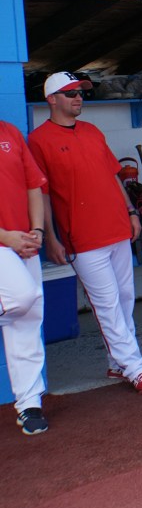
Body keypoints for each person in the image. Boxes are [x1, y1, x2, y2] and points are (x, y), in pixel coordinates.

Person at [28, 72, 142, 394]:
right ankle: (136, 368)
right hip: (83, 238)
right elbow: (41, 194)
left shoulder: (92, 131)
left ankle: (117, 363)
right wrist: (50, 237)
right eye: (71, 93)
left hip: (116, 227)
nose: (78, 98)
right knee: (108, 305)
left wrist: (131, 211)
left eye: (80, 92)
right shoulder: (38, 140)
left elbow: (114, 176)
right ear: (51, 100)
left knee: (125, 298)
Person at [0, 120, 49, 434]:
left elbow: (34, 186)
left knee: (29, 317)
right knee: (23, 297)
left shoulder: (10, 132)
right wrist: (6, 237)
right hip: (3, 242)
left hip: (24, 241)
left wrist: (37, 230)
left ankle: (29, 404)